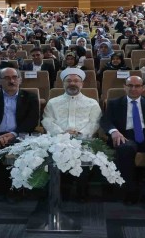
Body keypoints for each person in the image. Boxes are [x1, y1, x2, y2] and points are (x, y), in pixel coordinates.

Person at [100, 76, 145, 212]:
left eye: (137, 86)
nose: (133, 88)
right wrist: (114, 131)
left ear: (143, 88)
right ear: (124, 87)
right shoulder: (115, 103)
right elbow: (105, 121)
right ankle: (130, 190)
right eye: (130, 85)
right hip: (125, 136)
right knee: (125, 149)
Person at [0, 68, 39, 200]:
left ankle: (19, 186)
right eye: (7, 78)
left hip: (18, 134)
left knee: (25, 148)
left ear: (20, 80)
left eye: (15, 77)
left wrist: (13, 134)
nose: (12, 81)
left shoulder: (29, 97)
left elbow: (32, 120)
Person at [42, 68, 101, 201]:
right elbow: (47, 120)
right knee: (58, 152)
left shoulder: (92, 103)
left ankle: (82, 190)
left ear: (82, 84)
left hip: (84, 139)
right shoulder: (53, 102)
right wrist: (62, 133)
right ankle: (63, 189)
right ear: (63, 84)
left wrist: (80, 133)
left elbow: (95, 123)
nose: (72, 83)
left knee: (84, 152)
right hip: (58, 139)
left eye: (76, 81)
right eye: (68, 81)